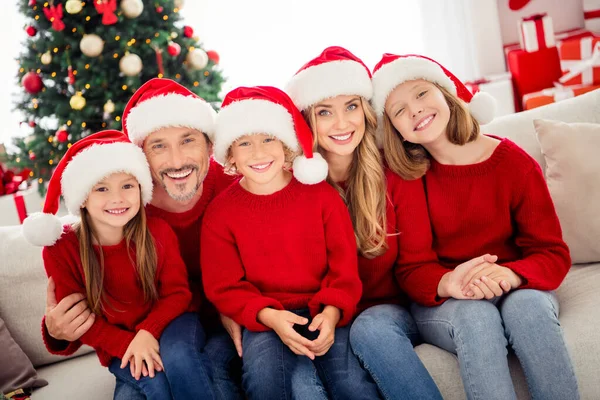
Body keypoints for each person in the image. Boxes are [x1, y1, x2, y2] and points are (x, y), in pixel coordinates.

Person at [371, 53, 579, 400]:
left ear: (445, 93)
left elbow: (552, 253)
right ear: (395, 129)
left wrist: (510, 276)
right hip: (449, 300)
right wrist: (448, 282)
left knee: (526, 308)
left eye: (421, 94)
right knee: (475, 316)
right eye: (398, 110)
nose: (415, 111)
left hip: (516, 285)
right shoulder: (408, 179)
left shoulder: (513, 164)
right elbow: (411, 269)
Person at [41, 79, 243, 400]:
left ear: (208, 144)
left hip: (215, 324)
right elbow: (75, 310)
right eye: (158, 145)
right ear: (141, 157)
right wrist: (58, 332)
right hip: (140, 339)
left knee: (206, 374)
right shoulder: (130, 210)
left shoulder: (240, 186)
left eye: (187, 139)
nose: (176, 161)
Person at [201, 85, 380, 400]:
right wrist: (269, 316)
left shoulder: (321, 196)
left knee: (351, 384)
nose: (258, 153)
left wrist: (332, 312)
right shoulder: (220, 213)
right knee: (264, 379)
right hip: (266, 317)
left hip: (323, 308)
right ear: (229, 154)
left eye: (268, 139)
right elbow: (224, 286)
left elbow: (344, 268)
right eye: (244, 143)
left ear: (285, 145)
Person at [286, 46, 443, 400]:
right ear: (307, 121)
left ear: (366, 112)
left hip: (389, 310)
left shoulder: (395, 173)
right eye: (325, 112)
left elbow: (417, 265)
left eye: (351, 107)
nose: (342, 124)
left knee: (370, 329)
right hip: (324, 316)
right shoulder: (293, 185)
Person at [23, 130, 215, 399]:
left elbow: (178, 293)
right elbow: (78, 319)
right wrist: (130, 343)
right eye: (102, 188)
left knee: (182, 360)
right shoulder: (61, 249)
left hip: (173, 321)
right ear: (83, 199)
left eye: (127, 186)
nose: (117, 198)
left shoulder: (157, 231)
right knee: (153, 382)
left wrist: (148, 331)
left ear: (140, 189)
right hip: (117, 342)